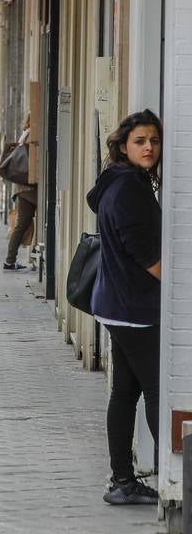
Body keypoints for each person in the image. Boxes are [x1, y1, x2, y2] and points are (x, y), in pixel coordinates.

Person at [87, 108, 162, 506]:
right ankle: (173, 478)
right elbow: (142, 250)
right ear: (123, 145)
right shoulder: (130, 186)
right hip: (134, 306)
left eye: (153, 140)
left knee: (126, 392)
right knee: (157, 389)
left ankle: (122, 480)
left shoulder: (115, 179)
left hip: (116, 302)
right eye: (140, 141)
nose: (149, 147)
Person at [4, 113, 37, 271]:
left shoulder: (26, 134)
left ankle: (12, 260)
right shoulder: (31, 134)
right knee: (22, 223)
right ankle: (9, 261)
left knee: (23, 222)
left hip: (24, 187)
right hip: (27, 188)